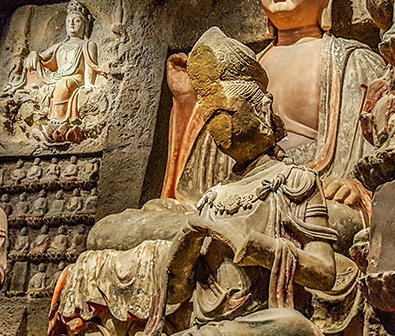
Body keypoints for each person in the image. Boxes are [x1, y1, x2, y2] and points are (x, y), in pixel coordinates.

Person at [51, 28, 336, 336]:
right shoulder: (214, 197)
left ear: (261, 109)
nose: (219, 126)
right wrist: (186, 245)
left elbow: (325, 273)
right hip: (208, 323)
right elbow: (176, 293)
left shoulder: (296, 181)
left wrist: (258, 247)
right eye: (211, 117)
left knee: (291, 326)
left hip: (267, 321)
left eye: (226, 111)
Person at [163, 0, 385, 218]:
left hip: (315, 198)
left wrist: (360, 184)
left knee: (335, 219)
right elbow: (206, 176)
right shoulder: (242, 69)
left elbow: (387, 146)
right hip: (240, 195)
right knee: (126, 227)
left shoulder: (356, 63)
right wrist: (190, 101)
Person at [4, 0, 102, 144]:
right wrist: (33, 55)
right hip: (56, 77)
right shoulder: (59, 46)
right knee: (42, 86)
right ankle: (46, 120)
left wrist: (89, 85)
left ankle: (57, 122)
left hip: (75, 78)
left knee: (64, 84)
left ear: (85, 25)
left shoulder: (88, 44)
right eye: (69, 21)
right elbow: (40, 57)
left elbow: (90, 67)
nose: (72, 24)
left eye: (77, 21)